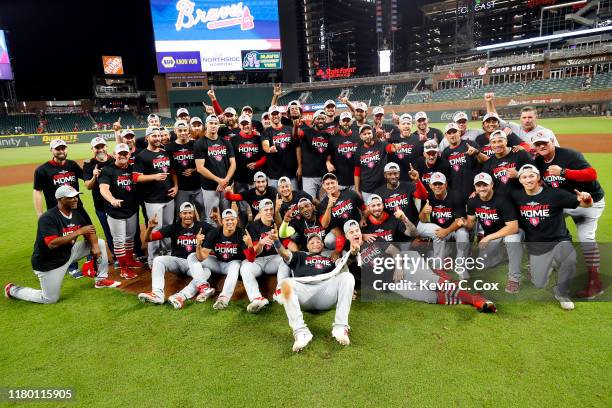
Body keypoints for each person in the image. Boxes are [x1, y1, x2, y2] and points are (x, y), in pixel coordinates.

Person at [5, 186, 120, 303]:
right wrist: (79, 232)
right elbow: (52, 244)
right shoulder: (48, 218)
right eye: (70, 198)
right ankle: (13, 289)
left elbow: (90, 231)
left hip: (70, 252)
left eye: (76, 196)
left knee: (99, 243)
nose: (75, 199)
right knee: (49, 299)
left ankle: (101, 280)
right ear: (60, 200)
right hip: (49, 262)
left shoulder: (77, 214)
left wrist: (95, 247)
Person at [511, 164, 593, 310]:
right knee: (539, 283)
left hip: (558, 239)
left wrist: (587, 199)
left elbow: (585, 204)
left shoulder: (555, 194)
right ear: (520, 180)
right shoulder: (516, 196)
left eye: (532, 176)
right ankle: (552, 263)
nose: (528, 179)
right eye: (524, 177)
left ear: (538, 178)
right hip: (536, 244)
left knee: (570, 260)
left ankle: (561, 293)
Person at [533, 133, 605, 298]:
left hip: (589, 202)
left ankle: (595, 283)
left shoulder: (570, 155)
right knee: (541, 219)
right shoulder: (538, 161)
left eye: (544, 142)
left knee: (586, 239)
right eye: (538, 144)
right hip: (565, 202)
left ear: (552, 142)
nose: (541, 146)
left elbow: (592, 174)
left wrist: (564, 172)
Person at [272, 225, 356, 352]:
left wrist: (354, 252)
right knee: (285, 283)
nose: (315, 243)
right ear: (307, 246)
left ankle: (340, 328)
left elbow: (346, 263)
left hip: (326, 293)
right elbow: (283, 253)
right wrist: (276, 241)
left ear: (323, 245)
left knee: (347, 277)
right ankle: (301, 332)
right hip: (305, 294)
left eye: (318, 241)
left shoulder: (330, 257)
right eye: (312, 242)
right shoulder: (300, 256)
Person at [138, 202, 215, 309]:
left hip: (194, 266)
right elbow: (148, 239)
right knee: (158, 260)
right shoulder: (174, 227)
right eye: (185, 213)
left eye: (190, 213)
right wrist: (150, 228)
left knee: (207, 272)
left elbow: (219, 233)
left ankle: (180, 296)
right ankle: (157, 294)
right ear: (180, 215)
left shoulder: (203, 226)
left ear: (194, 214)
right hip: (178, 262)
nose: (187, 216)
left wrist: (217, 222)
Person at [466, 173, 523, 293]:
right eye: (478, 185)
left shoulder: (502, 200)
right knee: (485, 263)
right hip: (494, 235)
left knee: (511, 240)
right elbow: (470, 224)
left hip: (510, 232)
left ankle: (514, 279)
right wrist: (463, 223)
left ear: (491, 185)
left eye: (485, 185)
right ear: (475, 187)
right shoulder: (472, 201)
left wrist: (488, 238)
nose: (482, 188)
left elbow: (513, 227)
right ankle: (504, 254)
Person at [133, 126, 178, 267]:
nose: (158, 138)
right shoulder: (141, 156)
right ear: (147, 138)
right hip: (153, 199)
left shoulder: (164, 153)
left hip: (168, 196)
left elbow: (172, 171)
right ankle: (152, 259)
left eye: (159, 136)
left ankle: (167, 254)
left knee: (168, 227)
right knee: (155, 228)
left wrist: (176, 186)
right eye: (154, 136)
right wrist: (155, 176)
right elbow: (136, 177)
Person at [187, 208, 248, 310]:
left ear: (237, 220)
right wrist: (198, 245)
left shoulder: (241, 233)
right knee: (192, 256)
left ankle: (224, 298)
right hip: (217, 263)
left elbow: (249, 256)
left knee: (235, 265)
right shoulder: (214, 233)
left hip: (232, 264)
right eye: (227, 220)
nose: (230, 222)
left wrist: (250, 246)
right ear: (222, 221)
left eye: (232, 219)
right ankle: (203, 287)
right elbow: (202, 257)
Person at [239, 199, 291, 313]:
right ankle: (256, 298)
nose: (268, 212)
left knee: (286, 258)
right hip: (257, 261)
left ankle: (279, 291)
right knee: (245, 267)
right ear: (260, 212)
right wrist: (261, 243)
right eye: (265, 210)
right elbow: (253, 254)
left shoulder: (277, 224)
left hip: (273, 259)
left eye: (271, 209)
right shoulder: (252, 226)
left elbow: (284, 247)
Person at [99, 143, 142, 280]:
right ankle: (124, 269)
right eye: (120, 153)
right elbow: (103, 188)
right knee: (119, 241)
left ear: (129, 154)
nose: (123, 156)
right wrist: (112, 200)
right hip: (115, 211)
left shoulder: (133, 168)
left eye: (125, 153)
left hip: (131, 209)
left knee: (130, 237)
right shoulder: (108, 170)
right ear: (114, 154)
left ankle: (129, 260)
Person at [416, 172, 470, 277]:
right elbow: (421, 220)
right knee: (436, 235)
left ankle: (461, 268)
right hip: (440, 232)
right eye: (434, 184)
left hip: (454, 229)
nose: (437, 186)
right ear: (430, 185)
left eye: (440, 184)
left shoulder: (456, 196)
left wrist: (446, 231)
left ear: (445, 184)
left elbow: (460, 220)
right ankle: (438, 270)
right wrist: (423, 212)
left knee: (463, 234)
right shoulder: (428, 197)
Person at [194, 114, 236, 223]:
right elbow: (200, 168)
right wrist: (220, 181)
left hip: (226, 185)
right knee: (211, 217)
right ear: (206, 125)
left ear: (218, 125)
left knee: (227, 216)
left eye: (216, 123)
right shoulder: (200, 143)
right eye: (211, 123)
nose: (213, 125)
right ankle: (211, 239)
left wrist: (225, 181)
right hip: (210, 187)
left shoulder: (225, 142)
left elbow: (233, 164)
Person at [83, 137, 116, 261]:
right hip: (101, 205)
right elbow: (87, 186)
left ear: (106, 147)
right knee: (108, 231)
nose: (100, 149)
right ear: (92, 149)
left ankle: (129, 252)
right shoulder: (89, 164)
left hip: (116, 202)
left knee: (121, 230)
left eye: (102, 146)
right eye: (97, 147)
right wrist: (93, 176)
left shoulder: (114, 160)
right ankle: (115, 255)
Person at [485, 93, 559, 147]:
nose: (527, 120)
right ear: (520, 118)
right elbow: (494, 118)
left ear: (536, 117)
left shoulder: (545, 132)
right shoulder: (512, 127)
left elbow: (556, 149)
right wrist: (489, 102)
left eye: (530, 117)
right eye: (524, 117)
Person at [165, 120, 204, 216]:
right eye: (180, 130)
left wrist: (194, 170)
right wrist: (176, 186)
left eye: (185, 130)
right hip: (181, 189)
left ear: (188, 130)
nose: (183, 133)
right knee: (183, 216)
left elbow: (204, 163)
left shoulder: (196, 144)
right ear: (175, 131)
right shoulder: (169, 148)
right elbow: (171, 169)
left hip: (199, 187)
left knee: (204, 214)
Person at [440, 123, 486, 200]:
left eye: (454, 132)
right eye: (449, 133)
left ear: (459, 132)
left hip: (473, 192)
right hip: (455, 195)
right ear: (445, 135)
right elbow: (446, 176)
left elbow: (485, 163)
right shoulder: (445, 153)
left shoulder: (470, 144)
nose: (452, 135)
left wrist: (476, 152)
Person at [354, 124, 398, 203]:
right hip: (367, 188)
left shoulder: (381, 144)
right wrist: (357, 189)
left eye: (369, 133)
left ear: (373, 134)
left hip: (382, 186)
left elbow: (389, 148)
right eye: (364, 134)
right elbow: (357, 171)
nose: (367, 136)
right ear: (360, 136)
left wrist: (394, 147)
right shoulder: (358, 151)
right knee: (369, 211)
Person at [481, 130, 533, 195]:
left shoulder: (520, 154)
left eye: (500, 141)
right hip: (501, 201)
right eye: (494, 142)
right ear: (490, 144)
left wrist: (518, 174)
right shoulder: (489, 163)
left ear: (506, 141)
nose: (497, 145)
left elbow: (535, 173)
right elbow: (485, 183)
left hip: (522, 197)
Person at [262, 105, 301, 189]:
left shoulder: (290, 129)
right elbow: (265, 145)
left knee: (293, 199)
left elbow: (297, 147)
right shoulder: (266, 132)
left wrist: (300, 167)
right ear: (269, 116)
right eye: (273, 114)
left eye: (277, 113)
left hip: (291, 174)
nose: (275, 116)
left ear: (281, 115)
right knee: (275, 201)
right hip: (274, 175)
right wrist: (269, 149)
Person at [296, 109, 330, 199]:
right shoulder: (306, 131)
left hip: (324, 175)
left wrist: (328, 161)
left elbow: (330, 152)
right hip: (309, 175)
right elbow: (296, 134)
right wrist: (295, 127)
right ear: (314, 120)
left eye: (323, 119)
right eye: (319, 118)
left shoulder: (327, 135)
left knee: (324, 203)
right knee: (310, 202)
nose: (321, 121)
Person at [388, 114, 422, 180]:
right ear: (399, 126)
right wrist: (384, 140)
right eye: (403, 124)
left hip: (412, 178)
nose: (406, 126)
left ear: (412, 125)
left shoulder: (418, 139)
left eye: (408, 123)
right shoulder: (391, 139)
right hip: (395, 179)